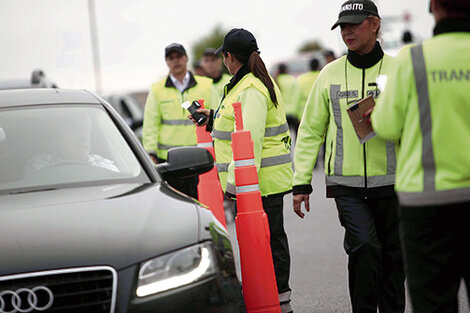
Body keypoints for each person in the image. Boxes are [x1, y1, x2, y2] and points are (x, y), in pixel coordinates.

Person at [292, 1, 406, 312]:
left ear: (375, 24)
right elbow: (310, 130)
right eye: (342, 26)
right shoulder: (329, 74)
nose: (347, 31)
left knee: (393, 257)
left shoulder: (398, 70)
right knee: (365, 248)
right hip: (347, 187)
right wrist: (301, 182)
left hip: (395, 183)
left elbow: (416, 125)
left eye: (354, 24)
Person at [370, 0, 470, 311]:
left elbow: (385, 126)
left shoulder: (411, 60)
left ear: (434, 8)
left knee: (434, 301)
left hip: (427, 203)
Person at [192, 28, 294, 313]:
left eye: (223, 56)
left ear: (229, 57)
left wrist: (236, 184)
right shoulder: (241, 85)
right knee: (266, 245)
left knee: (270, 246)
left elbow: (250, 139)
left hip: (258, 184)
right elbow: (234, 126)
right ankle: (271, 301)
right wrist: (211, 118)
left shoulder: (249, 89)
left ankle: (280, 304)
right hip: (255, 184)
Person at [142, 43, 218, 198]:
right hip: (169, 161)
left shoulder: (206, 85)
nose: (175, 61)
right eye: (171, 58)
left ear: (186, 58)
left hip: (200, 158)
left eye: (179, 57)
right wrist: (150, 152)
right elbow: (151, 123)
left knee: (203, 202)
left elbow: (218, 117)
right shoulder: (157, 90)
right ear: (167, 62)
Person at [275, 63, 302, 135]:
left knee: (285, 136)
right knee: (297, 134)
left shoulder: (276, 81)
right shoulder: (293, 80)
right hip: (294, 112)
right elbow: (298, 96)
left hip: (283, 113)